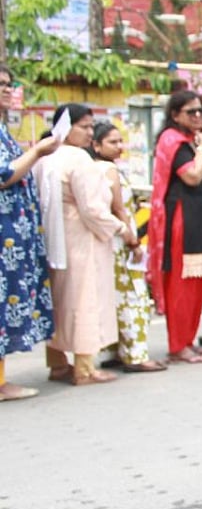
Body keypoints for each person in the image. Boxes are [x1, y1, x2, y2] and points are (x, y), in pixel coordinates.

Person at [33, 105, 129, 385]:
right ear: (66, 126)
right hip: (82, 238)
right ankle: (85, 368)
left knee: (59, 300)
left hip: (53, 237)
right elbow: (93, 209)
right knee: (84, 299)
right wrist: (120, 228)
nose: (89, 133)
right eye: (84, 127)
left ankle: (57, 363)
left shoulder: (44, 153)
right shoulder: (79, 159)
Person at [148, 91, 202, 364]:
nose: (198, 116)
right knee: (182, 283)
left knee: (198, 284)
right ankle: (177, 345)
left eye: (201, 111)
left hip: (201, 217)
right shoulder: (173, 141)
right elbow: (191, 176)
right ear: (175, 114)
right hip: (182, 219)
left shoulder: (191, 140)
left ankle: (188, 340)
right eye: (191, 112)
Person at [91, 122, 166, 373]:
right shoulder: (109, 170)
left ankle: (114, 350)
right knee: (133, 297)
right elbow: (119, 209)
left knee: (113, 298)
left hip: (106, 242)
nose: (119, 146)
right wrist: (133, 241)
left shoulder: (91, 169)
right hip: (121, 241)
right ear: (96, 145)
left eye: (120, 140)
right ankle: (135, 354)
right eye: (112, 142)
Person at [0, 65, 56, 401]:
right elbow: (4, 174)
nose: (7, 90)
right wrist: (36, 153)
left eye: (9, 84)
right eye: (0, 85)